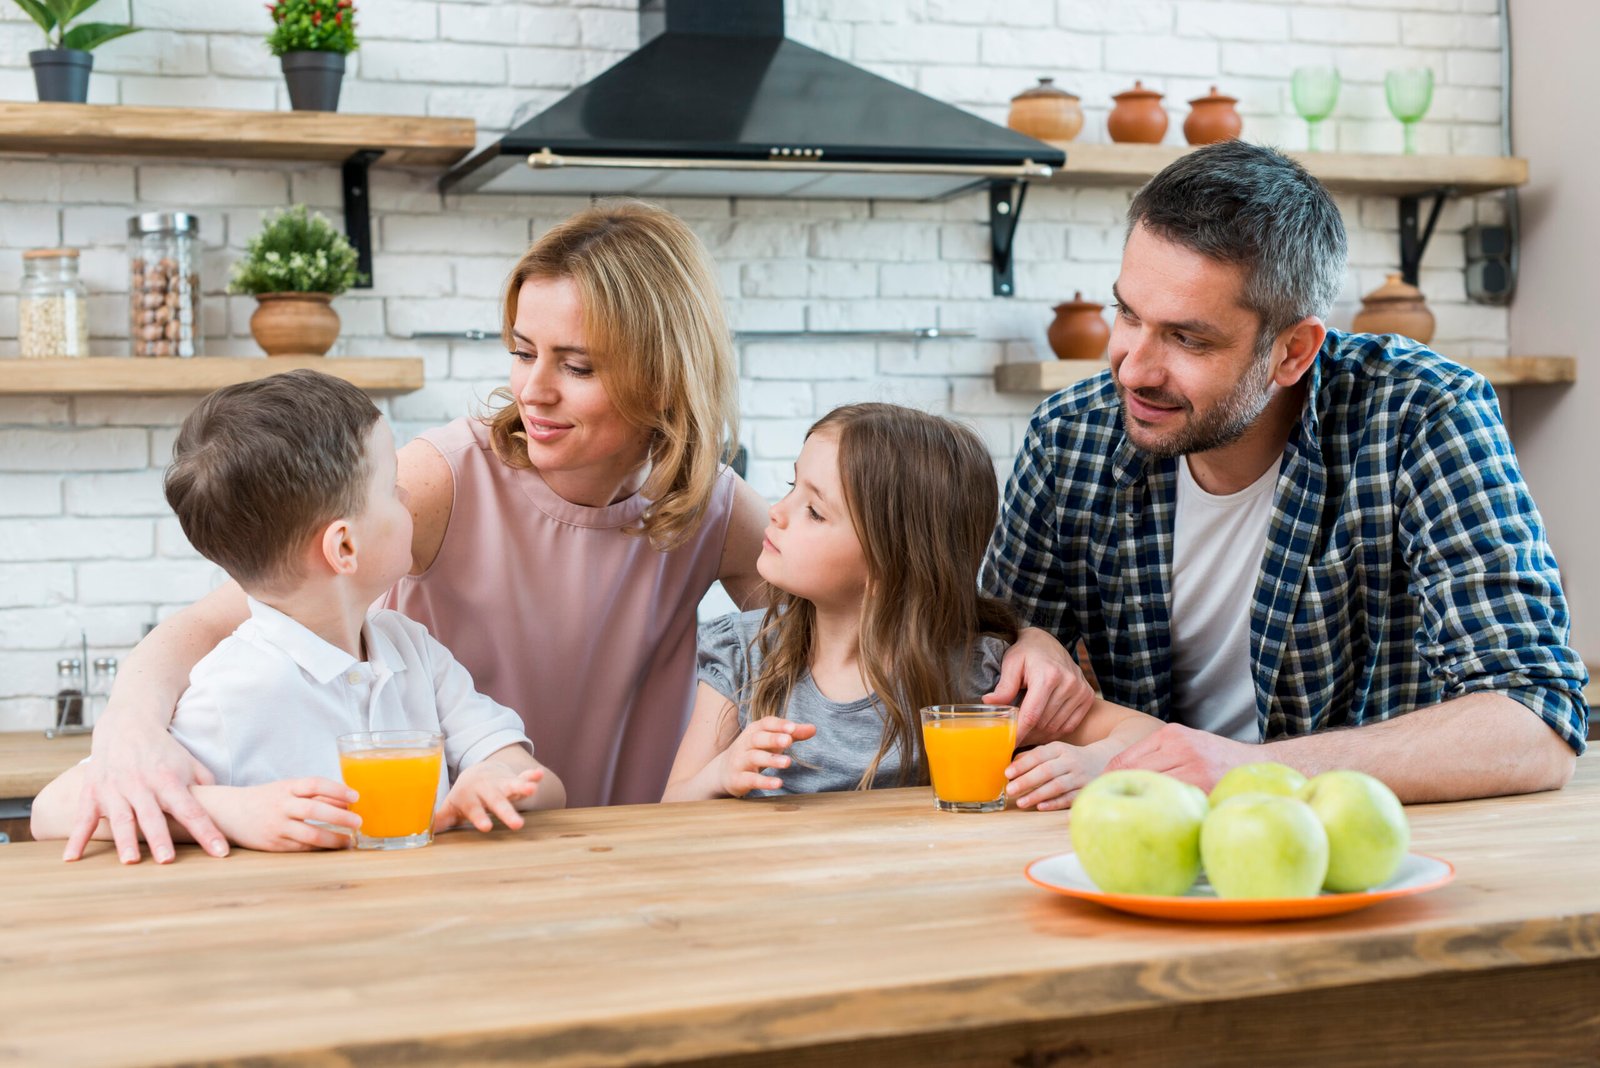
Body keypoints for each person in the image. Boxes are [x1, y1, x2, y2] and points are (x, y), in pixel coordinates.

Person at [67, 198, 1094, 863]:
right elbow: (220, 621)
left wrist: (1023, 641)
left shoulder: (700, 506)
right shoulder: (441, 479)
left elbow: (863, 596)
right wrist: (128, 736)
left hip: (622, 852)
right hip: (457, 853)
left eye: (579, 364)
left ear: (659, 375)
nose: (536, 391)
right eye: (523, 351)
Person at [981, 140, 1589, 803]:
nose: (1133, 368)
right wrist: (1028, 641)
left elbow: (1537, 720)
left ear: (1294, 351)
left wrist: (1248, 773)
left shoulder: (1421, 415)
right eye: (1128, 313)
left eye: (1188, 338)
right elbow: (989, 663)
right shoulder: (1071, 439)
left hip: (1360, 853)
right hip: (1136, 838)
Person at [33, 371, 565, 859]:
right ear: (344, 548)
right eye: (390, 488)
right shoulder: (232, 689)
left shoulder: (414, 650)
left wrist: (497, 781)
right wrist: (228, 812)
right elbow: (51, 809)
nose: (408, 494)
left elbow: (540, 782)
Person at [664, 403, 1160, 810]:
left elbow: (1146, 733)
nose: (776, 510)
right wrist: (720, 775)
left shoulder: (980, 678)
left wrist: (1098, 762)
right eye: (794, 487)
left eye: (815, 510)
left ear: (888, 566)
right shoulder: (743, 653)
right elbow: (670, 810)